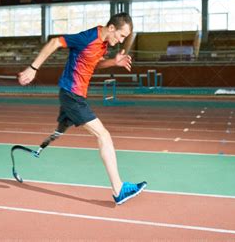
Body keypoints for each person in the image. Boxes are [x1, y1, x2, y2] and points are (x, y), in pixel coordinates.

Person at [18, 12, 146, 205]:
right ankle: (119, 189)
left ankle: (40, 148)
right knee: (103, 135)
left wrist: (114, 62)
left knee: (59, 131)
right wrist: (33, 68)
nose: (121, 41)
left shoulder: (102, 44)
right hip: (72, 95)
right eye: (121, 36)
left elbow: (92, 63)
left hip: (74, 95)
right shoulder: (87, 37)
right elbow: (54, 42)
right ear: (111, 28)